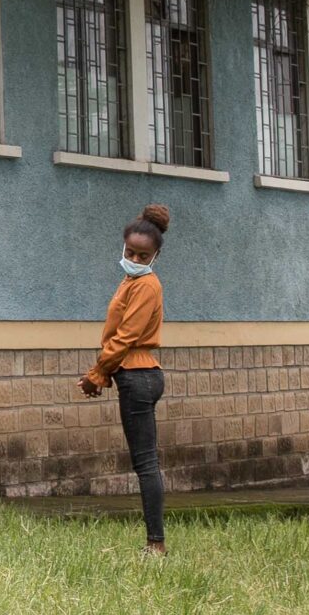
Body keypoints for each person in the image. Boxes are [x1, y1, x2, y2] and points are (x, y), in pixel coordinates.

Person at [77, 205, 172, 555]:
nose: (133, 257)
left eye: (142, 254)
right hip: (138, 374)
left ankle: (155, 545)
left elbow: (125, 337)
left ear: (155, 255)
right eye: (130, 251)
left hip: (138, 376)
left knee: (146, 464)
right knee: (145, 461)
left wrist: (97, 375)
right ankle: (154, 542)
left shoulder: (145, 284)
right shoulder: (132, 280)